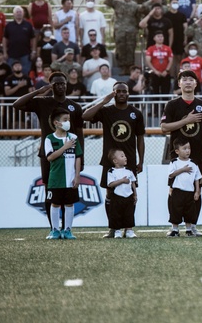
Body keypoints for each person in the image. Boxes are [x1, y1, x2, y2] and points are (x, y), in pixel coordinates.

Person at [14, 72, 85, 230]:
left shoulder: (75, 106)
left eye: (62, 83)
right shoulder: (42, 102)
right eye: (56, 83)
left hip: (70, 155)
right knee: (50, 191)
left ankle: (66, 229)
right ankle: (53, 228)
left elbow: (80, 134)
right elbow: (17, 105)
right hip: (48, 155)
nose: (60, 86)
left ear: (67, 85)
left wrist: (81, 156)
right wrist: (38, 92)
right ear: (51, 85)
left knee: (68, 193)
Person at [83, 81, 146, 235]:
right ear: (114, 93)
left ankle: (128, 228)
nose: (122, 94)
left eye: (124, 91)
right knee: (110, 193)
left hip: (129, 160)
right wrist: (103, 101)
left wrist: (141, 160)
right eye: (118, 91)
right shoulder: (107, 111)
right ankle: (113, 228)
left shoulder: (135, 113)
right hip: (109, 160)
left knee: (129, 193)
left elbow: (140, 139)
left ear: (129, 94)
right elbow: (85, 116)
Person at [160, 69, 202, 228]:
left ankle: (191, 226)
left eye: (191, 79)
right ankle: (174, 226)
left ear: (196, 83)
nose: (187, 82)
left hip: (199, 155)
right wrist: (187, 120)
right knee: (175, 191)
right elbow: (164, 127)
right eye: (184, 79)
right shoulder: (172, 105)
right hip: (177, 157)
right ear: (179, 84)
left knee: (197, 191)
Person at [43, 108, 81, 240]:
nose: (68, 122)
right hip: (55, 179)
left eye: (69, 120)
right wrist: (65, 147)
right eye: (65, 120)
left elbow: (78, 157)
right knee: (55, 204)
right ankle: (55, 230)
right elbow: (50, 157)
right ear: (56, 123)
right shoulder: (49, 139)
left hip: (70, 179)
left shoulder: (73, 137)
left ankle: (68, 230)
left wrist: (77, 175)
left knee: (70, 204)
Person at [166, 138, 202, 237]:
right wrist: (183, 170)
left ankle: (189, 229)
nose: (187, 151)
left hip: (189, 192)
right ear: (177, 151)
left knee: (189, 211)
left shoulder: (193, 163)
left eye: (189, 148)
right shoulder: (174, 162)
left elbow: (197, 178)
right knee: (175, 210)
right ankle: (175, 229)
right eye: (184, 148)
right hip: (178, 191)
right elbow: (171, 174)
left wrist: (197, 191)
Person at [105, 149, 138, 238]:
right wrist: (122, 181)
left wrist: (135, 194)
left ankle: (129, 231)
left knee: (129, 213)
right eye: (122, 156)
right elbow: (111, 184)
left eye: (125, 156)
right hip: (117, 196)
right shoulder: (111, 171)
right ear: (115, 161)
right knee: (116, 214)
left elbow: (133, 183)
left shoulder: (129, 170)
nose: (125, 157)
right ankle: (117, 231)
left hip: (128, 196)